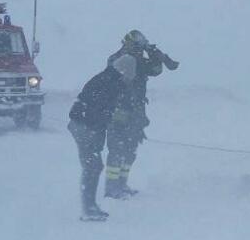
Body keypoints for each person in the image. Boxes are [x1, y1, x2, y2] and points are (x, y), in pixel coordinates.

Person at [103, 30, 179, 198]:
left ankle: (122, 184)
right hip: (118, 110)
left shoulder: (139, 61)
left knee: (130, 150)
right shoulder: (117, 59)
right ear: (128, 44)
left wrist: (154, 55)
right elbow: (115, 72)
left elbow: (155, 70)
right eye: (137, 45)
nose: (139, 49)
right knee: (116, 150)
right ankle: (111, 188)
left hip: (136, 111)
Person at [68, 55, 137, 221]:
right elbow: (98, 110)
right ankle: (88, 209)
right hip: (83, 125)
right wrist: (115, 118)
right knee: (92, 166)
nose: (129, 80)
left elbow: (100, 110)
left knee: (93, 165)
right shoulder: (110, 83)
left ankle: (90, 206)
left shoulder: (108, 78)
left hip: (85, 124)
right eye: (129, 76)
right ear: (125, 72)